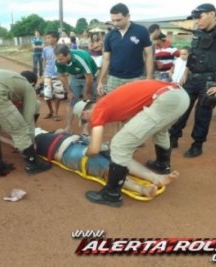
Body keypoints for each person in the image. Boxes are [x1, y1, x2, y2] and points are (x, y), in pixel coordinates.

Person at [72, 79, 190, 207]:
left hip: (166, 99)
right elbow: (129, 125)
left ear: (85, 113)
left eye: (85, 120)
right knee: (160, 131)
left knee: (119, 145)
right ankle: (162, 164)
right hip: (179, 96)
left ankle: (111, 195)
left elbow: (94, 149)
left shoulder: (99, 109)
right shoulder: (109, 103)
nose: (88, 123)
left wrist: (87, 153)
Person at [169, 3, 216, 158]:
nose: (197, 21)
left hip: (210, 82)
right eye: (196, 18)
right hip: (191, 78)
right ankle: (173, 138)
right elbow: (193, 55)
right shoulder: (198, 32)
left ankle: (197, 145)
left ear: (212, 14)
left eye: (200, 17)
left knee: (202, 114)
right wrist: (185, 73)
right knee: (181, 108)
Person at [35, 131, 162, 197]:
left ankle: (155, 177)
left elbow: (60, 129)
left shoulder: (45, 133)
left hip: (79, 141)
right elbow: (25, 148)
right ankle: (141, 189)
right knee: (102, 165)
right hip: (66, 151)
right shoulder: (30, 141)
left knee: (118, 156)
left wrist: (60, 131)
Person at [97, 3, 153, 95]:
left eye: (118, 20)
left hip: (135, 77)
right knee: (113, 104)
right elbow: (106, 59)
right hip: (114, 77)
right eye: (113, 20)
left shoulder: (141, 31)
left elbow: (149, 55)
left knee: (133, 105)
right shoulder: (110, 35)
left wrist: (149, 78)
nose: (115, 23)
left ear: (128, 16)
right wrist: (101, 81)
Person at [54, 44, 98, 134]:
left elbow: (89, 78)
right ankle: (68, 127)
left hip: (90, 76)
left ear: (68, 55)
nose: (58, 61)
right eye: (57, 59)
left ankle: (85, 130)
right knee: (71, 102)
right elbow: (62, 76)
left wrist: (87, 92)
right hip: (75, 76)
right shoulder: (58, 61)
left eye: (61, 59)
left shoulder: (81, 59)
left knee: (88, 103)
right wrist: (69, 91)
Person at [41, 31, 64, 121]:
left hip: (58, 75)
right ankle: (50, 111)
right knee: (47, 95)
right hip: (47, 74)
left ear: (55, 38)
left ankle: (56, 113)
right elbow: (44, 61)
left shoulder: (62, 48)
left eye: (49, 38)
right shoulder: (45, 49)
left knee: (58, 95)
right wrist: (43, 73)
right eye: (47, 38)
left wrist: (64, 74)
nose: (47, 40)